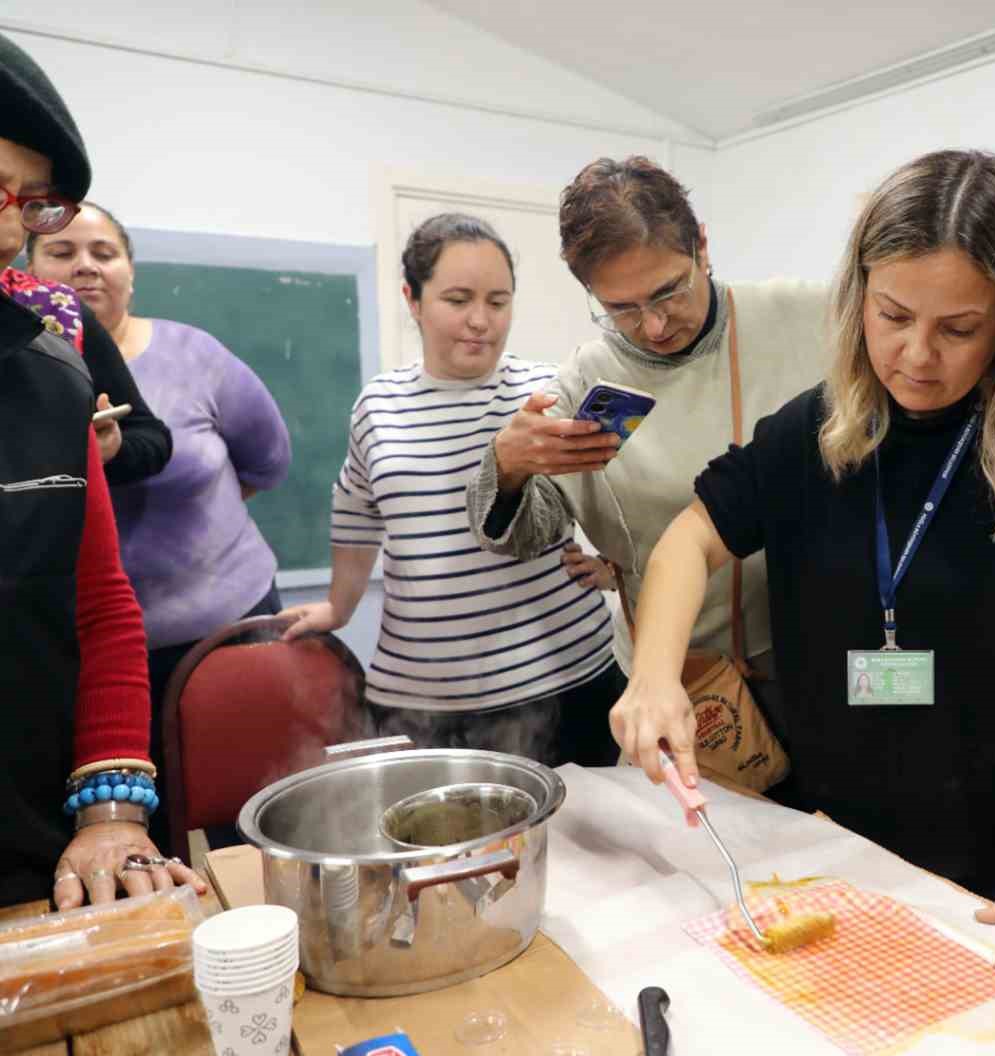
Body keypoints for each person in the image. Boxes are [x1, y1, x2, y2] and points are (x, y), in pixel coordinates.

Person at [609, 149, 995, 972]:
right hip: (831, 844)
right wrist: (653, 676)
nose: (916, 356)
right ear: (858, 294)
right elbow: (692, 536)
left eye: (959, 329)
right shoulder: (815, 430)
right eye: (893, 315)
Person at [466, 157, 828, 750]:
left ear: (702, 247)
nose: (655, 325)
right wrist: (508, 468)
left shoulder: (807, 319)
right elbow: (528, 533)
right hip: (667, 682)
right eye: (622, 308)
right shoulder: (587, 382)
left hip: (803, 662)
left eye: (669, 291)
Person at [278, 213, 623, 766]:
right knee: (436, 848)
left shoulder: (544, 392)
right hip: (422, 699)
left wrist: (619, 567)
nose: (480, 321)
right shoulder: (379, 405)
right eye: (458, 299)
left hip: (564, 680)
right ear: (412, 300)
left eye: (498, 301)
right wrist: (340, 607)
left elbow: (617, 492)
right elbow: (356, 510)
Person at [0, 29, 205, 908]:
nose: (10, 221)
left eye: (27, 199)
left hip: (32, 848)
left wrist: (111, 811)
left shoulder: (53, 372)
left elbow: (101, 603)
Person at [27, 202, 293, 847]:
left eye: (104, 253)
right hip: (100, 662)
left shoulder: (195, 355)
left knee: (258, 821)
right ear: (28, 270)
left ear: (130, 272)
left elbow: (267, 461)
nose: (85, 267)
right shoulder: (25, 377)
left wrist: (199, 536)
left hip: (235, 635)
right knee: (140, 833)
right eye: (62, 253)